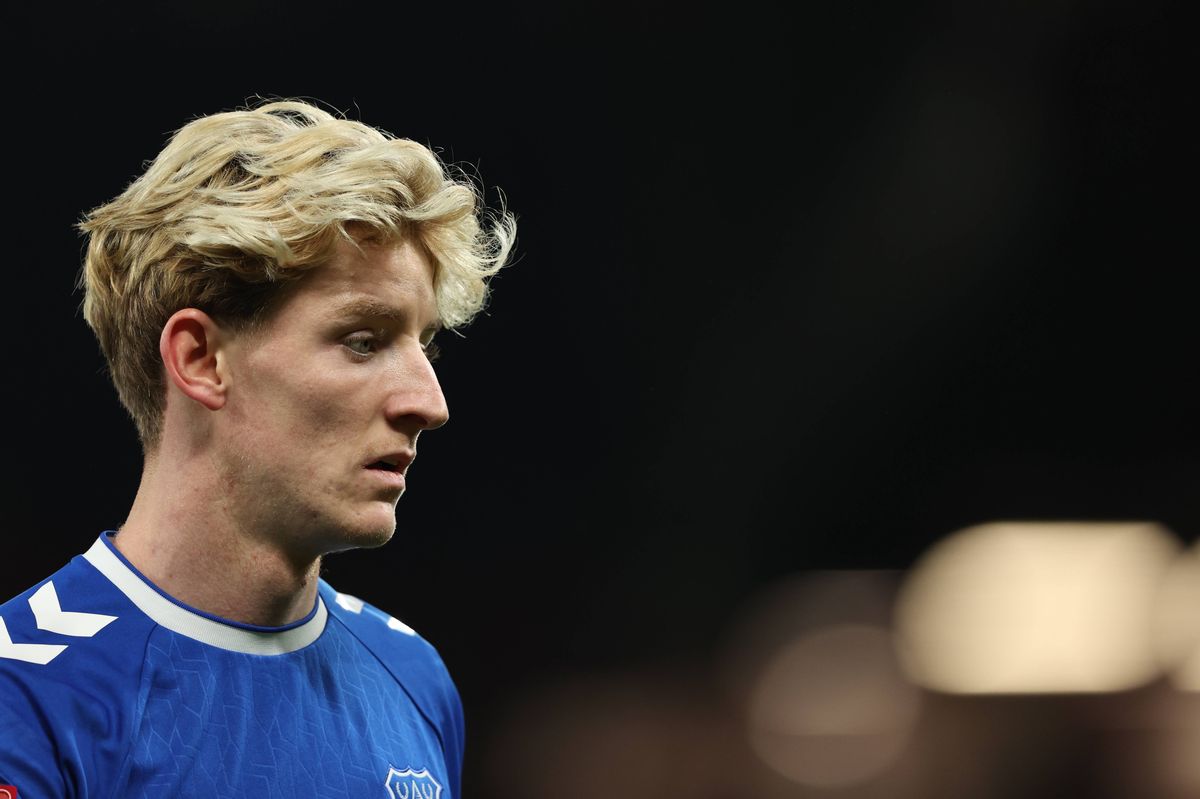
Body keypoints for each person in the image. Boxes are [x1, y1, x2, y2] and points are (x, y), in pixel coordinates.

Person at [0, 99, 515, 798]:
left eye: (422, 346)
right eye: (363, 340)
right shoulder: (27, 691)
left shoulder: (413, 675)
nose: (429, 403)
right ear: (202, 358)